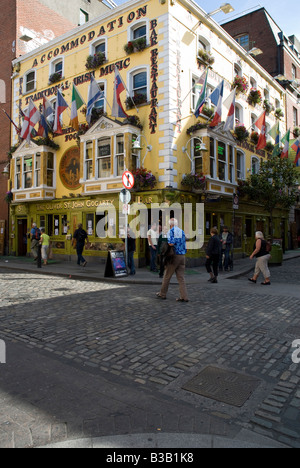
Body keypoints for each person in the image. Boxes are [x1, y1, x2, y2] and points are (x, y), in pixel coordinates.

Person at [156, 218, 189, 302]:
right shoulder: (182, 231)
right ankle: (184, 296)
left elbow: (171, 243)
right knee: (181, 278)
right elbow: (185, 243)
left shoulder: (171, 231)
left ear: (170, 224)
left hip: (174, 256)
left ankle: (162, 294)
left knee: (167, 276)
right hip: (182, 256)